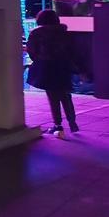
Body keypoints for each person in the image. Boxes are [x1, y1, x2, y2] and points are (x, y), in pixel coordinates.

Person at [26, 9, 78, 137]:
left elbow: (31, 50)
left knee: (53, 97)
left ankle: (58, 125)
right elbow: (72, 51)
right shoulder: (64, 33)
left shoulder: (37, 33)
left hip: (47, 68)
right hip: (63, 67)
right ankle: (72, 122)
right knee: (66, 95)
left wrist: (38, 59)